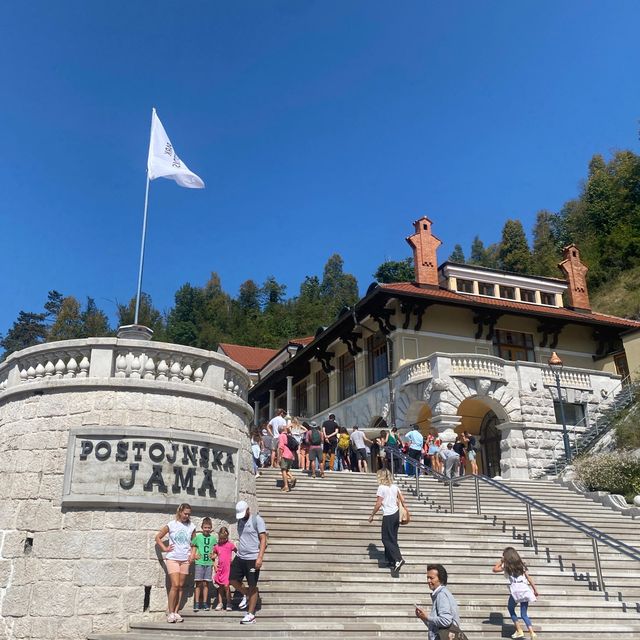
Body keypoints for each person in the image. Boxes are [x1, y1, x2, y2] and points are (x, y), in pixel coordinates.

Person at [154, 503, 197, 623]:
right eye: (185, 513)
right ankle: (171, 612)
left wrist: (192, 554)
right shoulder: (171, 525)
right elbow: (158, 537)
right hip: (173, 558)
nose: (187, 516)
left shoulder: (192, 526)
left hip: (185, 559)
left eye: (189, 514)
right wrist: (164, 548)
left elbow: (194, 543)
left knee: (181, 586)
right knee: (175, 585)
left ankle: (176, 612)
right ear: (180, 512)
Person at [230, 500, 268, 625]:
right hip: (240, 556)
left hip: (252, 558)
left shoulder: (257, 520)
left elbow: (263, 539)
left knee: (252, 585)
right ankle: (246, 594)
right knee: (232, 579)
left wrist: (260, 557)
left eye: (243, 513)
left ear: (247, 510)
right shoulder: (240, 521)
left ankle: (251, 615)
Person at [492, 547, 539, 639]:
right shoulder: (521, 565)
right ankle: (532, 633)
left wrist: (501, 561)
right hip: (525, 589)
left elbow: (494, 569)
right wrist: (535, 590)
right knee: (524, 614)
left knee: (510, 608)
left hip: (516, 590)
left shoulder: (506, 566)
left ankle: (519, 630)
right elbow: (529, 578)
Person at [368, 468, 408, 572]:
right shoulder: (395, 487)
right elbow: (403, 499)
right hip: (396, 514)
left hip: (388, 515)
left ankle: (398, 558)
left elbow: (378, 503)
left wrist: (372, 514)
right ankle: (391, 561)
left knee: (385, 538)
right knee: (392, 538)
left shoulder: (381, 487)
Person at [415, 564, 462, 640]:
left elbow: (446, 621)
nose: (428, 581)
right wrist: (423, 617)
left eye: (431, 578)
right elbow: (437, 627)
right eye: (427, 578)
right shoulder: (442, 593)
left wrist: (427, 617)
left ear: (440, 579)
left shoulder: (441, 594)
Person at [192, 516, 217, 611]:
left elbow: (216, 550)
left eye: (209, 528)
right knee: (198, 583)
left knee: (206, 584)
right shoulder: (198, 537)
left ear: (211, 528)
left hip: (209, 563)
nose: (207, 529)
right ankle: (197, 603)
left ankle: (205, 603)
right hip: (199, 563)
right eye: (205, 527)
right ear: (202, 527)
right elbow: (192, 546)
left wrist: (214, 555)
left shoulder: (213, 538)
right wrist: (193, 555)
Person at [212, 526, 236, 611]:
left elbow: (237, 551)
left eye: (224, 538)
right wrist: (214, 563)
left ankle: (229, 602)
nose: (222, 540)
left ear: (227, 536)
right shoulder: (217, 546)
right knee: (220, 586)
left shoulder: (230, 545)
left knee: (226, 586)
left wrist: (234, 562)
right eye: (221, 538)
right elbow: (214, 555)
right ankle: (220, 603)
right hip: (220, 569)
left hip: (228, 569)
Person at [278, 424, 296, 491]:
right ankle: (292, 477)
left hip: (285, 454)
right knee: (287, 470)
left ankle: (286, 486)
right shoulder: (289, 435)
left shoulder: (281, 436)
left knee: (283, 470)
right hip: (290, 455)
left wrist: (280, 456)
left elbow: (281, 447)